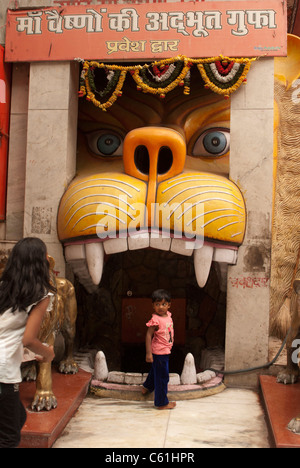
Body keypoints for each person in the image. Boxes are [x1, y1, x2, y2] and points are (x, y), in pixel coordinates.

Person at [0, 237, 56, 448]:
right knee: (8, 439)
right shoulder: (41, 294)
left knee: (18, 418)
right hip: (3, 373)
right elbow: (29, 339)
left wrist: (30, 353)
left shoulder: (3, 288)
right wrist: (47, 354)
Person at [142, 289, 176, 410]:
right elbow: (148, 335)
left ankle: (146, 387)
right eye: (157, 304)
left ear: (169, 305)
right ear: (153, 306)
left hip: (165, 351)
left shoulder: (168, 315)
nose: (160, 307)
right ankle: (162, 403)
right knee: (162, 377)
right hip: (159, 352)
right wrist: (148, 353)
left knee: (155, 370)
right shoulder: (155, 320)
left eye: (163, 304)